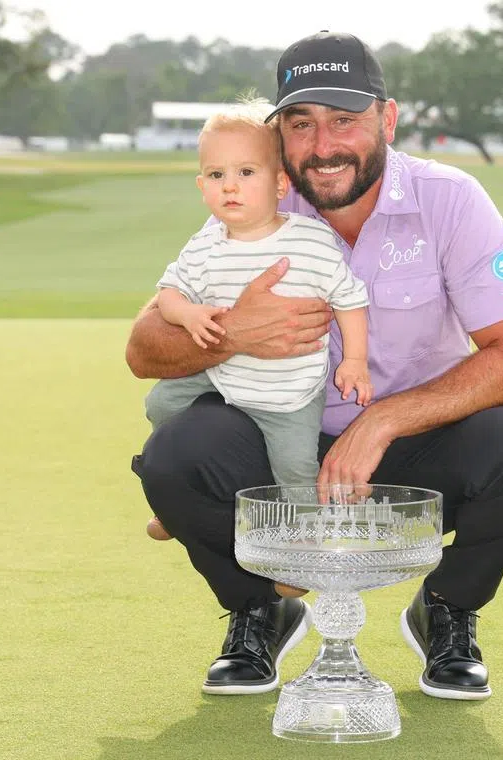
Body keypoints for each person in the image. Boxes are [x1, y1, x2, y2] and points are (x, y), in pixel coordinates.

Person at [127, 30, 503, 700]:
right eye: (301, 125)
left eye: (345, 120)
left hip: (414, 445)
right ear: (278, 136)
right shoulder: (255, 201)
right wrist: (231, 334)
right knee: (172, 456)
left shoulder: (449, 199)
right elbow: (143, 350)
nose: (323, 145)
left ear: (386, 119)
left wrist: (384, 421)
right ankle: (260, 608)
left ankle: (446, 608)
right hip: (278, 434)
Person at [142, 98, 372, 546]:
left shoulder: (309, 239)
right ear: (201, 185)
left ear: (280, 183)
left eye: (246, 173)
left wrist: (356, 360)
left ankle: (307, 542)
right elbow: (168, 294)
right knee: (160, 404)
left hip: (289, 392)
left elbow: (350, 297)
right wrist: (188, 314)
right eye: (216, 175)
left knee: (294, 468)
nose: (230, 186)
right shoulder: (206, 243)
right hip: (223, 375)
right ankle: (171, 502)